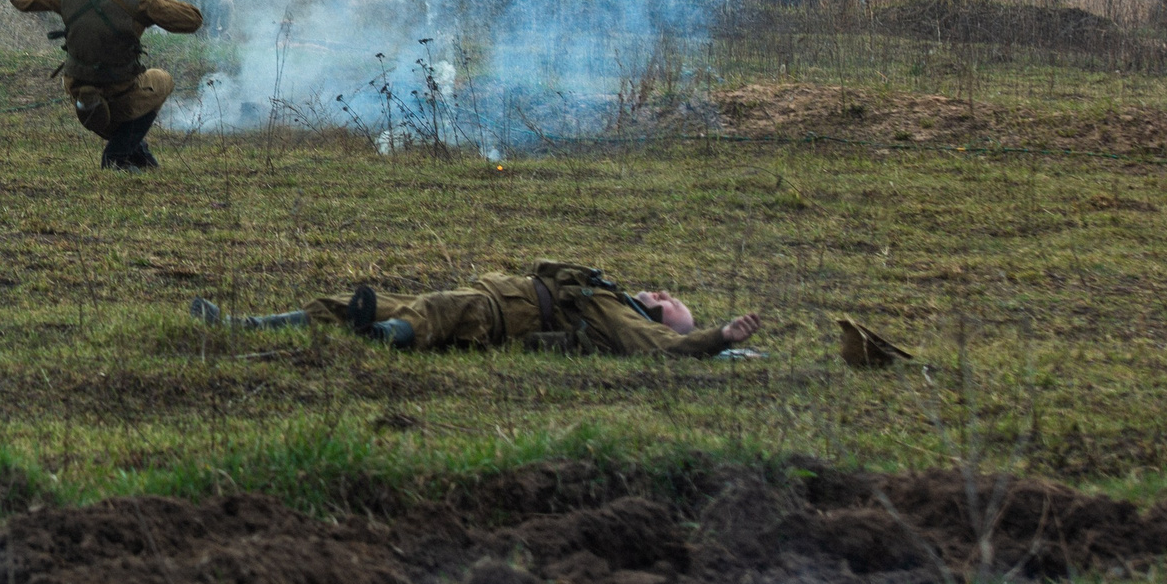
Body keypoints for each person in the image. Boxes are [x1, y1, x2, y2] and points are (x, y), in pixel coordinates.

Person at [193, 261, 762, 357]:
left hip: (493, 314)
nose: (661, 294)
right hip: (486, 301)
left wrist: (717, 338)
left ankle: (382, 338)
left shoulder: (620, 318)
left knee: (436, 310)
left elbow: (667, 349)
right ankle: (246, 325)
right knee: (337, 303)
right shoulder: (608, 293)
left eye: (667, 304)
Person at [6, 0, 202, 169]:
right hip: (120, 91)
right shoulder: (142, 5)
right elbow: (193, 20)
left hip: (79, 89)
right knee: (163, 80)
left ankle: (135, 152)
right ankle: (117, 155)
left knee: (113, 120)